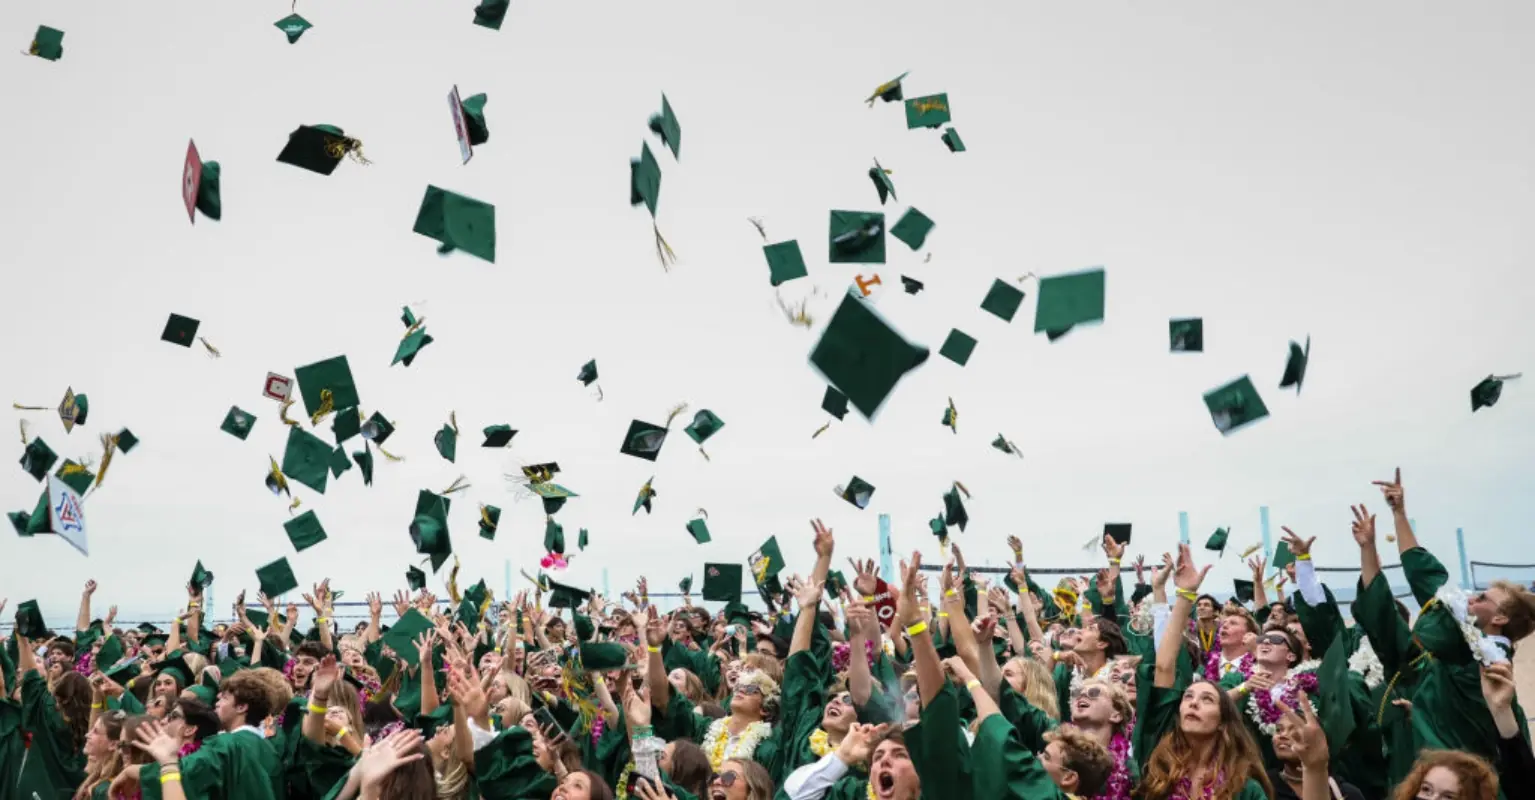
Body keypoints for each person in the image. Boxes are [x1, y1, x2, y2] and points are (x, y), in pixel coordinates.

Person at [1140, 544, 1273, 800]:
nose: (1193, 703)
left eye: (1207, 699)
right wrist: (1183, 595)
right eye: (1188, 697)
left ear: (1224, 719)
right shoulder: (1159, 773)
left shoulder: (1245, 790)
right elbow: (1164, 665)